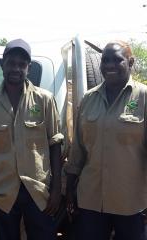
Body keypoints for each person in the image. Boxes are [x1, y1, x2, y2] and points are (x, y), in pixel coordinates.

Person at [0, 39, 64, 240]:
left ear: (28, 68)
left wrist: (57, 189)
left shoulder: (44, 100)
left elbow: (55, 144)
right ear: (2, 65)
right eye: (11, 63)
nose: (16, 68)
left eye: (22, 64)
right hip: (3, 192)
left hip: (38, 191)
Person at [65, 41, 147, 240]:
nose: (109, 65)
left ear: (131, 62)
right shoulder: (88, 99)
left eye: (117, 60)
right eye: (105, 60)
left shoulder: (144, 97)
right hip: (91, 201)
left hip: (131, 203)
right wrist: (69, 192)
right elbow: (78, 151)